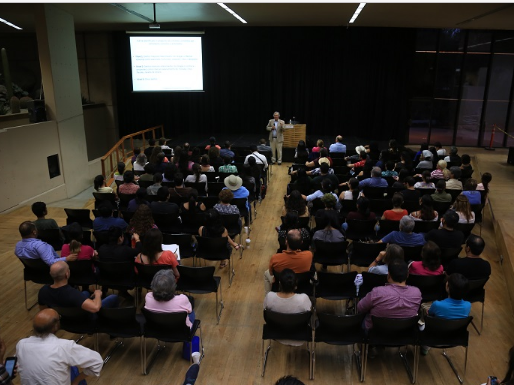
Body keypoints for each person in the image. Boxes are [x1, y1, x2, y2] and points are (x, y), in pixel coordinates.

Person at [16, 308, 103, 385]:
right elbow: (97, 362)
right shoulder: (64, 346)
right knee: (72, 367)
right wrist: (76, 381)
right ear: (55, 326)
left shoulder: (21, 345)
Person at [357, 259, 422, 330]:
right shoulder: (416, 293)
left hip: (377, 334)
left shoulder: (377, 292)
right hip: (404, 334)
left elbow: (360, 308)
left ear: (388, 275)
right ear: (407, 275)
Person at [38, 260, 119, 311]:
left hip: (63, 317)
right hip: (83, 317)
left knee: (85, 293)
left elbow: (44, 311)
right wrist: (98, 294)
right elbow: (95, 307)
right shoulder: (72, 293)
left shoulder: (43, 291)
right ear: (67, 274)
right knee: (114, 298)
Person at [263, 269, 312, 346]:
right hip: (299, 335)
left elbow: (265, 310)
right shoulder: (303, 299)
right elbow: (308, 311)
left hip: (276, 333)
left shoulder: (270, 297)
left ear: (279, 284)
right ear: (295, 286)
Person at [264, 229, 313, 294]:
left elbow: (271, 273)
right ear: (301, 242)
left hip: (281, 283)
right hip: (301, 284)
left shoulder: (275, 258)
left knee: (266, 273)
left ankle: (268, 296)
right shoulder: (309, 255)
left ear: (286, 241)